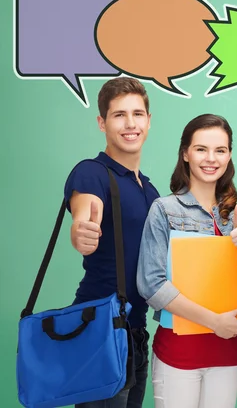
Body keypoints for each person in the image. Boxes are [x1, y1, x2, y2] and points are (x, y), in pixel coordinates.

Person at [136, 114, 237, 408]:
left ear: (229, 155)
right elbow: (151, 286)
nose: (211, 158)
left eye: (220, 150)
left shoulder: (235, 215)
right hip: (179, 352)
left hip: (226, 352)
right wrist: (214, 321)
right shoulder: (164, 210)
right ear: (185, 153)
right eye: (201, 149)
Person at [65, 77, 159, 408]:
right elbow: (85, 213)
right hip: (100, 331)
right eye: (119, 115)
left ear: (149, 121)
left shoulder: (150, 190)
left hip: (135, 331)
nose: (130, 124)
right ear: (102, 122)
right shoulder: (92, 173)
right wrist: (82, 231)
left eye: (137, 114)